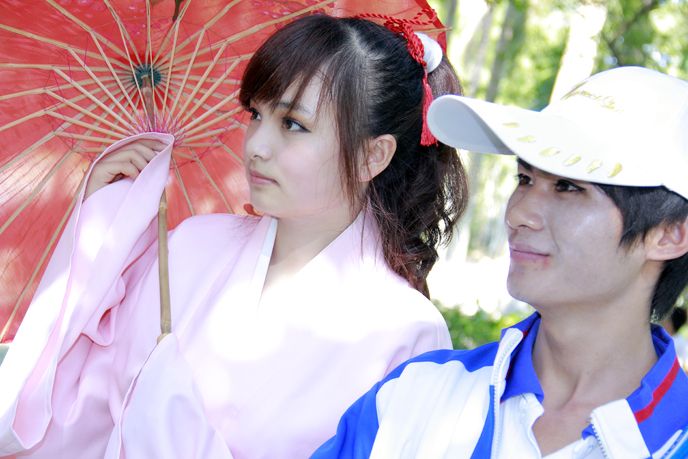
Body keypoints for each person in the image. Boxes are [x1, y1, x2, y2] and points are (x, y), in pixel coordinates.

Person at [0, 12, 468, 459]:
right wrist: (104, 223)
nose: (257, 146)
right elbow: (79, 416)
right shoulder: (188, 248)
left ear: (372, 156)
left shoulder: (407, 334)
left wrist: (176, 425)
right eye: (255, 114)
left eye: (293, 124)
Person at [312, 66, 688, 458]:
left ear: (670, 234)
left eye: (568, 187)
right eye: (525, 179)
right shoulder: (415, 396)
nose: (519, 213)